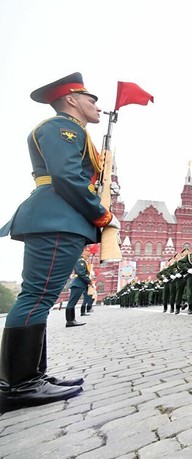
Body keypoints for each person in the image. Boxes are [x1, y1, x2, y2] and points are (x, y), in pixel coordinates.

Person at [0, 73, 120, 411]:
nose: (97, 106)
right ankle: (18, 387)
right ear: (71, 99)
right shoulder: (61, 128)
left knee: (40, 296)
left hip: (58, 216)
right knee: (37, 296)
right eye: (91, 99)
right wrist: (103, 214)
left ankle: (32, 376)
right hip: (56, 215)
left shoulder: (72, 131)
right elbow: (67, 176)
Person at [65, 246, 93, 327]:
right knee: (72, 303)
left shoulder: (84, 261)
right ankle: (70, 321)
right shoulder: (81, 261)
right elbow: (81, 273)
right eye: (87, 251)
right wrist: (89, 281)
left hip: (79, 284)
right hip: (78, 284)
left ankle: (71, 320)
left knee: (72, 303)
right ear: (83, 251)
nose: (89, 252)